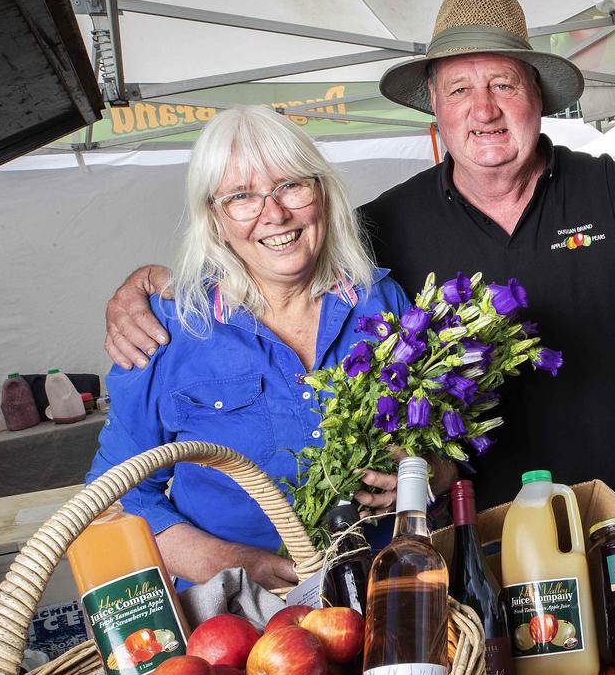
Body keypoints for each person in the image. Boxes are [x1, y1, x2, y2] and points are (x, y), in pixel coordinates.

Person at [100, 0, 615, 510]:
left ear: (539, 95)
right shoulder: (380, 226)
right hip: (464, 533)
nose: (483, 109)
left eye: (503, 82)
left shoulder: (606, 190)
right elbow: (279, 251)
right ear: (434, 107)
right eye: (460, 88)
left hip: (610, 508)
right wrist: (157, 284)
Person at [85, 106, 443, 589]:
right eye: (241, 196)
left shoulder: (382, 303)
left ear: (323, 193)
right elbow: (115, 499)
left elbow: (443, 455)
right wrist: (238, 565)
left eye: (291, 185)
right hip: (239, 620)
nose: (273, 214)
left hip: (386, 593)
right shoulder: (168, 327)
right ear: (214, 219)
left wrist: (420, 478)